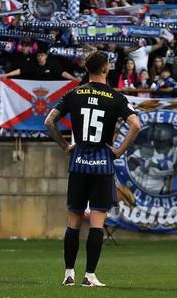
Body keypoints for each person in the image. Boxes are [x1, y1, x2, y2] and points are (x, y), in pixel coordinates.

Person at [44, 51, 141, 287]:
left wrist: (65, 145)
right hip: (101, 164)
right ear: (106, 69)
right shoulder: (115, 97)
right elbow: (136, 125)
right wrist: (118, 151)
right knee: (97, 222)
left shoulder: (74, 93)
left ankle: (68, 274)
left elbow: (49, 121)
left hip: (78, 163)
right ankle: (90, 276)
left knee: (73, 221)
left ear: (87, 69)